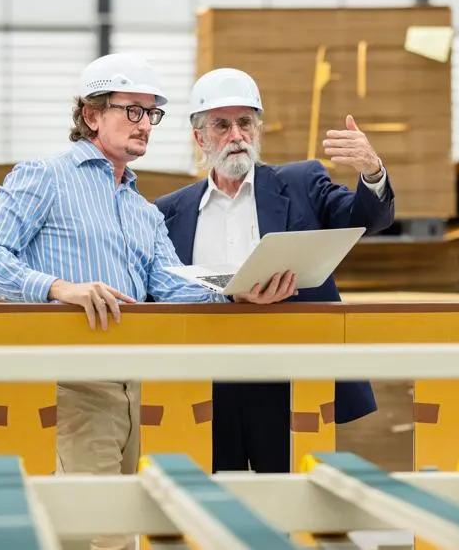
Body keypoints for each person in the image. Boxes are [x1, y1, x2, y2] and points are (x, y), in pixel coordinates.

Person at [0, 54, 294, 550]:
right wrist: (58, 288)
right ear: (92, 115)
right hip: (77, 378)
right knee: (99, 529)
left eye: (151, 113)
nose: (144, 125)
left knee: (129, 521)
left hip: (139, 382)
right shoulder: (44, 178)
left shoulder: (143, 211)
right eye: (131, 111)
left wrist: (231, 290)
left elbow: (167, 283)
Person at [155, 68, 395, 473]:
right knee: (214, 504)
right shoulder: (169, 212)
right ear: (199, 137)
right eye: (222, 125)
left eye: (245, 123)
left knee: (296, 502)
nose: (236, 135)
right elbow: (158, 289)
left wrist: (372, 171)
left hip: (288, 381)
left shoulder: (302, 183)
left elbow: (363, 219)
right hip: (204, 384)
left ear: (258, 129)